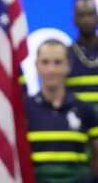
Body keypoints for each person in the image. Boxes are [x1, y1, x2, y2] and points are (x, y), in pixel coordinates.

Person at [25, 39, 98, 183]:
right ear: (36, 66)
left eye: (58, 62)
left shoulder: (85, 110)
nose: (51, 70)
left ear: (68, 66)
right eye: (45, 62)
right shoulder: (25, 110)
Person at [66, 0, 98, 114]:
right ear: (74, 19)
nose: (86, 20)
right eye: (81, 15)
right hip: (78, 123)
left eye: (90, 14)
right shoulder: (66, 55)